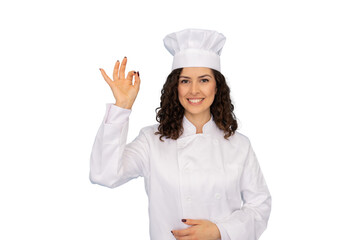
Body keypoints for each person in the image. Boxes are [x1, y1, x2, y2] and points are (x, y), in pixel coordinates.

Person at [90, 28, 272, 240]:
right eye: (185, 81)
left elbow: (260, 206)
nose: (194, 90)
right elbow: (104, 174)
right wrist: (122, 107)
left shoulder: (239, 145)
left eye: (204, 80)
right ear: (175, 87)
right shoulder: (151, 141)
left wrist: (219, 231)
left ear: (217, 87)